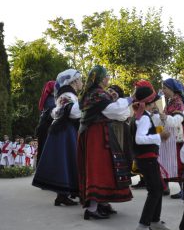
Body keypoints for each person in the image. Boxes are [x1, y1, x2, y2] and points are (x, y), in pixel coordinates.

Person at [78, 65, 133, 220]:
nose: (109, 78)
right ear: (102, 78)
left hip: (96, 133)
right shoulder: (97, 94)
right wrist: (130, 99)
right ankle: (92, 208)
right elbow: (113, 111)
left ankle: (102, 204)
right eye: (107, 76)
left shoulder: (91, 93)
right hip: (96, 135)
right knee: (99, 168)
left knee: (106, 167)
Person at [32, 69, 82, 206]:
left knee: (65, 162)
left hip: (63, 130)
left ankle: (63, 195)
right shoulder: (67, 94)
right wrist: (87, 105)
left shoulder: (67, 93)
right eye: (80, 79)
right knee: (66, 161)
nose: (82, 82)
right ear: (74, 81)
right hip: (65, 130)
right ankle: (66, 195)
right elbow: (72, 112)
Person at [131, 80, 171, 230]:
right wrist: (158, 136)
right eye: (154, 101)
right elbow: (140, 139)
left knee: (158, 188)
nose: (156, 104)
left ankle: (154, 220)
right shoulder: (144, 118)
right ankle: (143, 224)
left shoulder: (141, 115)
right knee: (155, 191)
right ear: (149, 102)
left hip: (146, 158)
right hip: (146, 158)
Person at [155, 78, 184, 199]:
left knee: (178, 163)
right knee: (165, 160)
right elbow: (161, 120)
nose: (163, 90)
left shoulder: (178, 102)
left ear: (171, 89)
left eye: (165, 88)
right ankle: (165, 187)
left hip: (176, 138)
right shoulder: (169, 102)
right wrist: (158, 131)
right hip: (168, 137)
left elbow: (176, 121)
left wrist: (164, 118)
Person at [35, 81, 56, 165]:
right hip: (47, 129)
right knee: (45, 151)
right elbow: (53, 114)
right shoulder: (51, 100)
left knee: (43, 151)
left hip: (44, 129)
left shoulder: (47, 99)